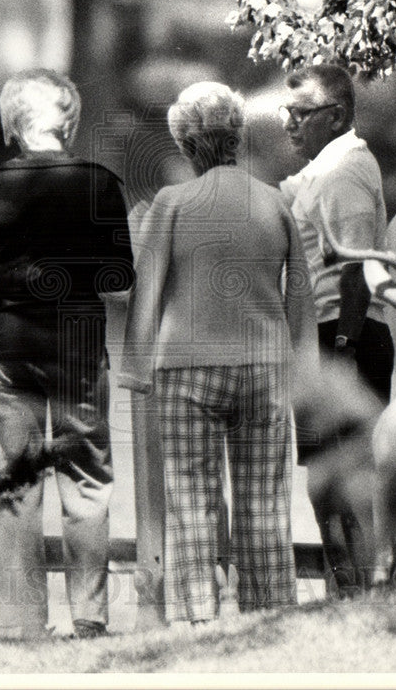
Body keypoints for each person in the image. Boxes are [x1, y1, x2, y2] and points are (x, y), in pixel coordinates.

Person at [119, 82, 317, 624]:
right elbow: (300, 289)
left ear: (184, 143)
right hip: (267, 368)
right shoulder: (276, 201)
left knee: (192, 499)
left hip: (187, 368)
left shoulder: (171, 203)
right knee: (265, 501)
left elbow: (149, 284)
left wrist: (136, 368)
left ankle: (200, 611)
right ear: (237, 136)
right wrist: (310, 372)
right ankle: (270, 608)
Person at [0, 69, 134, 638]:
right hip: (77, 348)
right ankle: (89, 616)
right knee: (86, 477)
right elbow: (118, 276)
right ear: (71, 121)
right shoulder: (100, 183)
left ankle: (21, 622)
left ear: (14, 124)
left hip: (8, 348)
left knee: (17, 485)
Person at [277, 63, 395, 594]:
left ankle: (359, 587)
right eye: (287, 112)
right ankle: (346, 585)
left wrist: (341, 350)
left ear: (337, 116)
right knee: (326, 476)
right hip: (330, 335)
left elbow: (355, 270)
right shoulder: (330, 169)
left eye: (300, 114)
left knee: (343, 476)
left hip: (344, 335)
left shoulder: (345, 173)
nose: (288, 124)